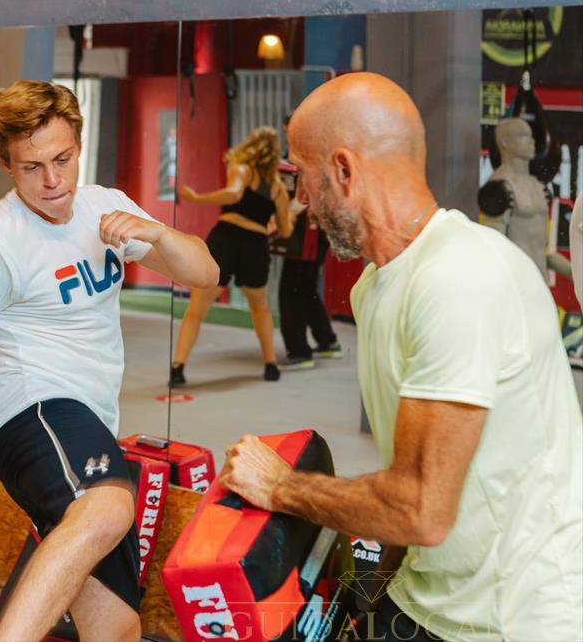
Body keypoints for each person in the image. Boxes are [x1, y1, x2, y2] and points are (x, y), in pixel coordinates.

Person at [220, 73, 582, 642]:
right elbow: (408, 480)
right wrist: (369, 596)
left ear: (344, 170)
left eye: (303, 176)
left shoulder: (460, 277)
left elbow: (420, 509)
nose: (302, 199)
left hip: (511, 623)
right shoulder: (377, 286)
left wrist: (282, 487)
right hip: (422, 600)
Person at [0, 80, 218, 642]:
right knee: (108, 508)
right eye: (32, 167)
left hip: (89, 423)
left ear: (79, 145)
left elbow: (204, 273)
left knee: (117, 631)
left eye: (62, 159)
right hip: (32, 412)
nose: (53, 181)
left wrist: (157, 232)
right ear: (7, 165)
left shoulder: (104, 208)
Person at [171, 127, 296, 385]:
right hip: (255, 245)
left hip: (226, 239)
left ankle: (178, 367)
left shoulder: (241, 168)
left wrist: (197, 198)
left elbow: (234, 193)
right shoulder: (278, 188)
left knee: (197, 308)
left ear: (250, 146)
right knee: (260, 308)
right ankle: (270, 365)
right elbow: (285, 231)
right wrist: (288, 218)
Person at [480, 117, 572, 281]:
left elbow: (542, 252)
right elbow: (492, 248)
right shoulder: (499, 188)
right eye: (523, 135)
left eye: (531, 136)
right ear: (505, 142)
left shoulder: (538, 187)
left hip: (540, 283)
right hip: (515, 285)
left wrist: (575, 273)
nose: (532, 141)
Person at [276, 211, 342, 370]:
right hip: (319, 230)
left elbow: (305, 201)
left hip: (308, 231)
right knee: (306, 288)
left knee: (292, 291)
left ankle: (299, 352)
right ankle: (327, 340)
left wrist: (288, 211)